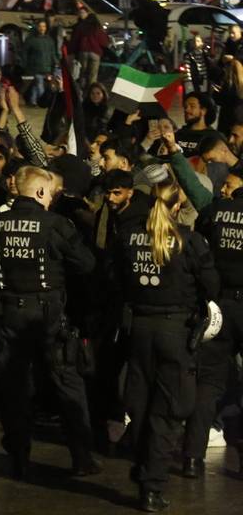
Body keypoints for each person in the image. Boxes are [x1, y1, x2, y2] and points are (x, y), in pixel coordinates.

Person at [0, 165, 100, 480]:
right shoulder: (56, 224)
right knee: (66, 382)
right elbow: (86, 264)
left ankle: (19, 454)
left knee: (15, 385)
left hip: (10, 312)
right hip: (48, 314)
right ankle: (82, 456)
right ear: (42, 192)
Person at [110, 182, 218, 512]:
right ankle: (152, 484)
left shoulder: (127, 236)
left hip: (139, 328)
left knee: (141, 405)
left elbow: (111, 276)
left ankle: (144, 468)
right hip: (175, 330)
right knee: (170, 409)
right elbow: (212, 286)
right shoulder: (189, 240)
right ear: (175, 208)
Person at [185, 175, 243, 477]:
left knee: (208, 383)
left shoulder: (215, 211)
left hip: (218, 306)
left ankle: (193, 458)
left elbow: (200, 245)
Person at [68, 6, 109, 90]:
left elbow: (75, 40)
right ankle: (91, 90)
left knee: (83, 72)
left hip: (83, 51)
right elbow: (103, 41)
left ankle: (81, 88)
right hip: (95, 53)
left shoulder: (81, 26)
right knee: (93, 74)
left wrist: (71, 51)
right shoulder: (97, 27)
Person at [21, 21, 58, 107]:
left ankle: (33, 101)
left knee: (36, 84)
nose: (42, 28)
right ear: (37, 27)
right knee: (39, 84)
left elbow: (52, 53)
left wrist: (55, 62)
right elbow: (24, 53)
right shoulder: (31, 40)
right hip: (35, 67)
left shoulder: (49, 40)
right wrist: (25, 64)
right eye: (40, 26)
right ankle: (43, 102)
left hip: (47, 67)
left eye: (44, 26)